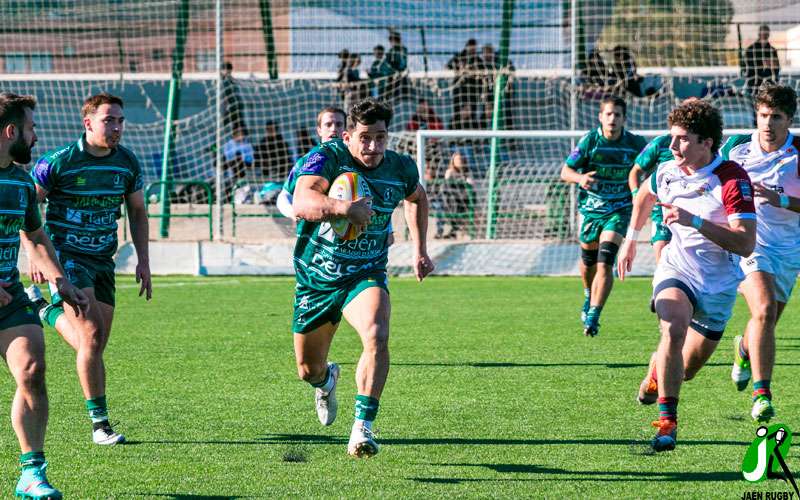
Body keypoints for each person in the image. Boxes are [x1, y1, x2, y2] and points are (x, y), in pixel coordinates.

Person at [291, 98, 433, 458]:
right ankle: (327, 381)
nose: (374, 147)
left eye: (381, 137)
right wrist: (344, 209)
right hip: (317, 278)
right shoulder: (328, 156)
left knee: (376, 333)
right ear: (348, 136)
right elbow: (302, 201)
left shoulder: (400, 167)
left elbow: (418, 197)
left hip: (365, 273)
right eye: (366, 138)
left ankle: (362, 428)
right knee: (309, 370)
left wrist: (420, 249)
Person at [618, 98, 757, 452]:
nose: (672, 146)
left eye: (682, 139)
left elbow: (744, 244)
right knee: (673, 327)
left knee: (688, 368)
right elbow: (644, 198)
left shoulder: (731, 179)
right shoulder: (667, 170)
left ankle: (656, 375)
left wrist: (695, 221)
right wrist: (630, 242)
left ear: (706, 142)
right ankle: (668, 424)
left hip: (719, 284)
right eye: (671, 137)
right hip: (677, 268)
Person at [25, 92, 152, 446]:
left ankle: (46, 312)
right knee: (92, 336)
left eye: (120, 121)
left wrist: (143, 259)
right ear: (88, 123)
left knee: (92, 344)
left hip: (103, 260)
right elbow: (27, 211)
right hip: (67, 258)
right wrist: (39, 260)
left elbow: (138, 212)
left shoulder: (126, 162)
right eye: (108, 120)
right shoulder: (59, 162)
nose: (116, 127)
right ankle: (100, 426)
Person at [0, 92, 89, 499]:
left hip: (10, 300)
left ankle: (32, 473)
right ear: (11, 131)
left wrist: (60, 281)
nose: (36, 137)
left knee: (32, 371)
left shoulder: (20, 181)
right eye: (32, 128)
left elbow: (34, 236)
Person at [719, 83, 800, 422]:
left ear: (789, 120)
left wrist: (778, 198)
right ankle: (762, 395)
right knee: (764, 309)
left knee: (764, 322)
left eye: (776, 117)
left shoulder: (798, 154)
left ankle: (743, 351)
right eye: (763, 116)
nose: (768, 124)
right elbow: (711, 184)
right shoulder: (736, 149)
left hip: (789, 251)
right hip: (750, 245)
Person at [560, 95, 647, 337]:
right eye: (608, 114)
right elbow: (565, 171)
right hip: (592, 210)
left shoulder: (635, 143)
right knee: (588, 262)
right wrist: (581, 178)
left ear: (624, 118)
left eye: (617, 114)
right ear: (600, 117)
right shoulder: (590, 141)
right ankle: (588, 295)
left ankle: (595, 315)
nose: (612, 119)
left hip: (619, 209)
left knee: (605, 260)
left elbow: (651, 165)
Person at [276, 107, 347, 219]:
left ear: (345, 130)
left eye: (338, 124)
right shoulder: (306, 161)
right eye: (328, 124)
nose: (333, 129)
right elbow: (284, 195)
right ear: (319, 130)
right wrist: (292, 212)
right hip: (314, 232)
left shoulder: (354, 159)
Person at [628, 134, 674, 263]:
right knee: (663, 256)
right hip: (661, 210)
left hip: (692, 210)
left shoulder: (702, 142)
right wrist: (637, 195)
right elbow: (635, 171)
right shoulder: (660, 143)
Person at [447, 39, 485, 129]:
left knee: (471, 115)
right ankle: (455, 135)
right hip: (459, 92)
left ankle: (471, 136)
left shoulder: (478, 60)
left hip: (472, 93)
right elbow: (448, 67)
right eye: (471, 47)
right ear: (467, 47)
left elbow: (484, 73)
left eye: (474, 48)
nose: (473, 50)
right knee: (458, 114)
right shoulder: (459, 57)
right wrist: (458, 69)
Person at [742, 25, 780, 97]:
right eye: (763, 33)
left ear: (768, 34)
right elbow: (746, 68)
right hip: (754, 84)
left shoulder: (772, 50)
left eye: (766, 33)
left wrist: (770, 64)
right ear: (759, 34)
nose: (765, 35)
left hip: (769, 83)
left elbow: (776, 67)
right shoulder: (750, 50)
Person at [385, 30, 409, 100]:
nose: (390, 43)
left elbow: (403, 62)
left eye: (391, 40)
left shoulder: (401, 50)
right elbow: (388, 63)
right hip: (394, 75)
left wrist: (398, 70)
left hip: (398, 75)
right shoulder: (391, 51)